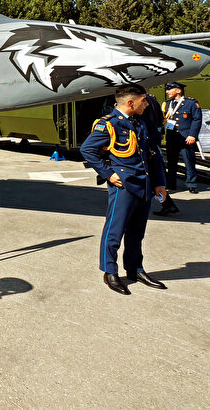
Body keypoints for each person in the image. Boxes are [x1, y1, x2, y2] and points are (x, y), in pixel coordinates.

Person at [80, 84, 167, 295]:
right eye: (143, 100)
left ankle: (135, 269)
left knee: (137, 233)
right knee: (114, 232)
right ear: (130, 103)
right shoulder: (108, 124)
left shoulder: (140, 123)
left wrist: (160, 183)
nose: (147, 104)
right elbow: (87, 149)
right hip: (124, 187)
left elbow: (152, 153)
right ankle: (110, 272)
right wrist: (108, 173)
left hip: (144, 185)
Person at [143, 92, 180, 216]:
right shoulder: (152, 98)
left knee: (151, 175)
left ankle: (167, 204)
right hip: (153, 138)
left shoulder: (141, 100)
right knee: (154, 173)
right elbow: (160, 118)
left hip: (145, 141)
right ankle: (168, 204)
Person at [162, 81, 202, 193]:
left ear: (178, 90)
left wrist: (192, 135)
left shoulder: (191, 103)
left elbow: (197, 119)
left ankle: (191, 184)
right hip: (172, 136)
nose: (167, 91)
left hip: (186, 137)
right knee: (171, 161)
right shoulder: (168, 103)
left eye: (170, 89)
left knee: (189, 161)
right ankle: (171, 183)